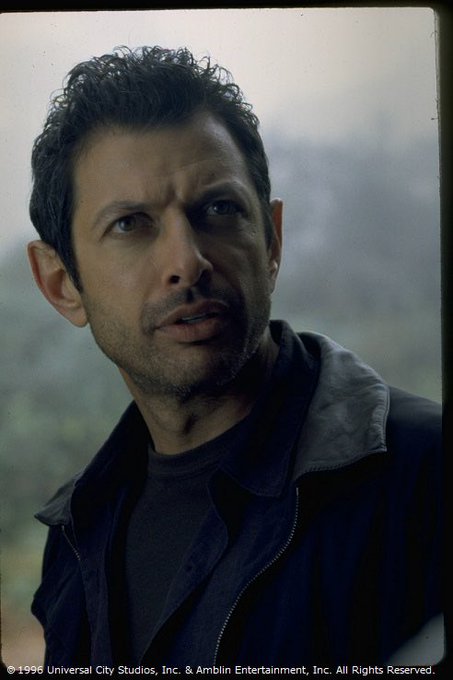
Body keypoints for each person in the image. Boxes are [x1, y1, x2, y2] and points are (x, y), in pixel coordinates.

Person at [27, 46, 443, 669]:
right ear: (62, 284)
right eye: (131, 224)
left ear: (271, 240)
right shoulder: (76, 537)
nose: (187, 262)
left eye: (219, 210)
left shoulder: (426, 480)